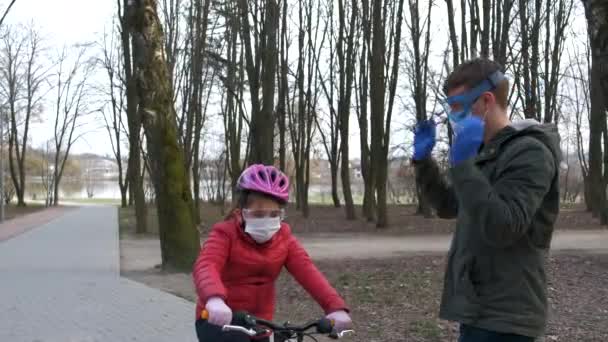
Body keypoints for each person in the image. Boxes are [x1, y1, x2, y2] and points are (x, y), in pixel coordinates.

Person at [412, 58, 561, 342]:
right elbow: (449, 205)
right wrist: (423, 163)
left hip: (508, 316)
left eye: (457, 106)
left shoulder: (530, 152)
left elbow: (503, 226)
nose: (452, 115)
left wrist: (464, 167)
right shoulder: (484, 152)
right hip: (478, 307)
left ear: (486, 100)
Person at [192, 164, 352, 342]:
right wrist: (214, 298)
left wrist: (335, 307)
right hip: (220, 319)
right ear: (241, 213)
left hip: (260, 325)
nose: (267, 220)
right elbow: (206, 265)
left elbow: (308, 271)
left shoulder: (284, 237)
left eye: (274, 214)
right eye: (259, 214)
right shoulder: (225, 234)